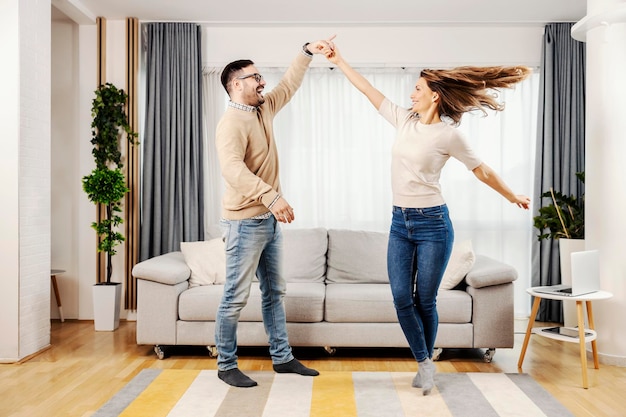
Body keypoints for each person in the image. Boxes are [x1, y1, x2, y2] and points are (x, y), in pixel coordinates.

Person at [325, 44, 531, 395]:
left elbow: (481, 170)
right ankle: (425, 361)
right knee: (401, 297)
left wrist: (511, 195)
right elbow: (367, 90)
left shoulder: (449, 135)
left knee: (426, 300)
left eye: (418, 89)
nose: (411, 94)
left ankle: (425, 366)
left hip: (434, 224)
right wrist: (339, 61)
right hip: (399, 224)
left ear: (434, 97)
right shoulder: (403, 119)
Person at [214, 37, 334, 388]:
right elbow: (232, 169)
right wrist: (271, 197)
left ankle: (282, 358)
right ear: (236, 85)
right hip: (244, 222)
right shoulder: (231, 123)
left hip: (267, 221)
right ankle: (226, 365)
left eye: (260, 76)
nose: (261, 81)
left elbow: (289, 84)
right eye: (253, 77)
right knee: (235, 297)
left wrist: (306, 52)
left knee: (274, 292)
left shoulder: (262, 109)